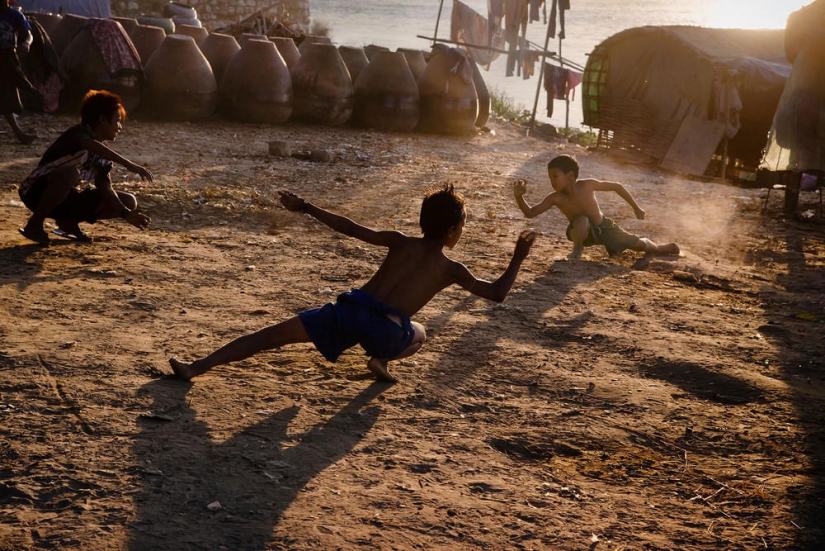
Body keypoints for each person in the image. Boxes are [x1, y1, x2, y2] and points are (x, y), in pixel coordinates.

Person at [170, 185, 537, 383]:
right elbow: (496, 293)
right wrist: (518, 258)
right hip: (385, 332)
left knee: (268, 336)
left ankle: (197, 366)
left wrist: (306, 207)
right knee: (420, 333)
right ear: (453, 230)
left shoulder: (399, 241)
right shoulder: (451, 269)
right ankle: (380, 360)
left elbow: (349, 227)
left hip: (350, 311)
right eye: (463, 226)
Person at [17, 89, 153, 244]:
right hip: (34, 192)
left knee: (129, 201)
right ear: (103, 119)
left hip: (64, 199)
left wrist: (125, 213)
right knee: (70, 174)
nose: (119, 127)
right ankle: (35, 224)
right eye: (117, 121)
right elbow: (89, 144)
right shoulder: (78, 133)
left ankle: (68, 222)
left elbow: (105, 187)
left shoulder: (104, 155)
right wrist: (128, 164)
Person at [514, 154, 680, 260]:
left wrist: (636, 207)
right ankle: (577, 250)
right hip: (582, 232)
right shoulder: (556, 198)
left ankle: (659, 248)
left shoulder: (587, 185)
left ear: (570, 176)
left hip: (604, 227)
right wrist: (519, 196)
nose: (552, 181)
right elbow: (530, 213)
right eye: (550, 177)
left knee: (639, 245)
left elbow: (617, 187)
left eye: (555, 176)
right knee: (581, 220)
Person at [1, 0, 36, 144]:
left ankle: (19, 133)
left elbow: (28, 34)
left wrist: (26, 43)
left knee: (7, 96)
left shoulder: (15, 15)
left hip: (7, 57)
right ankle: (19, 133)